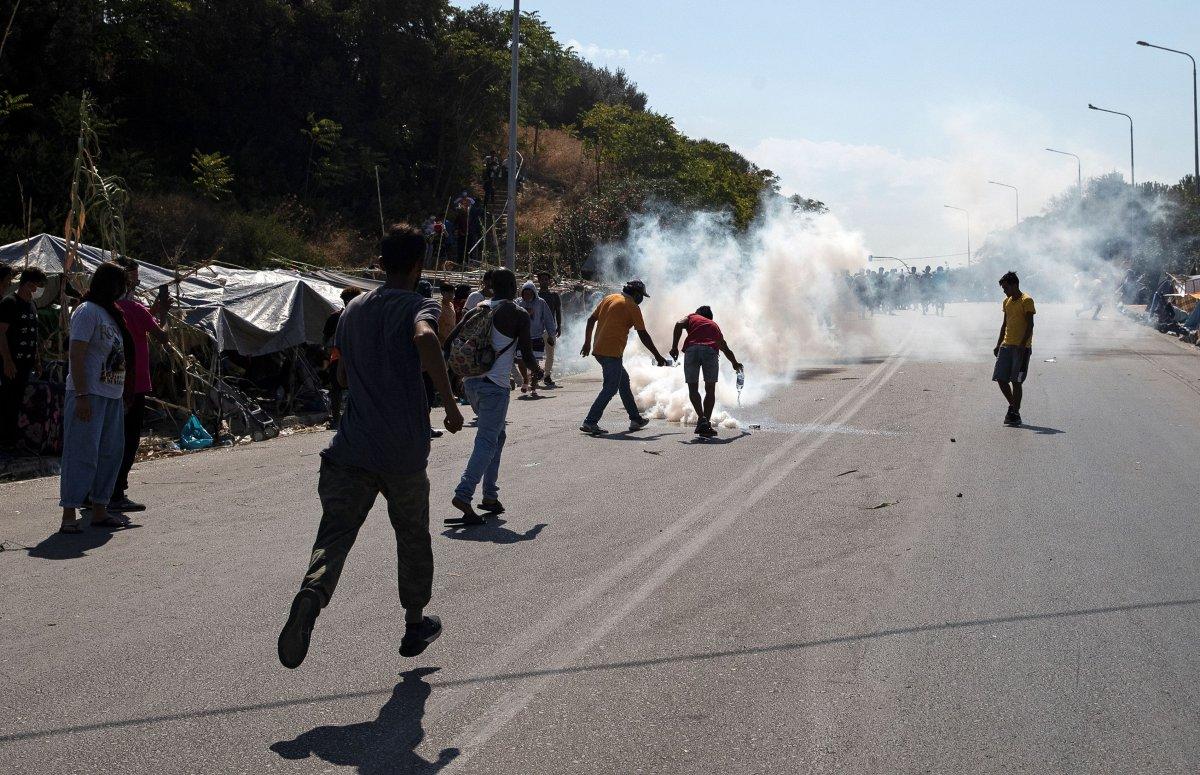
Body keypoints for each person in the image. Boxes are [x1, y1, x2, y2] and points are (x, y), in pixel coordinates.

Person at [278, 225, 463, 670]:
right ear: (419, 266)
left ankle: (312, 593)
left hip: (351, 448)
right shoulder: (421, 304)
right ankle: (415, 623)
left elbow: (340, 378)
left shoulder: (352, 311)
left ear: (379, 264)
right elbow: (424, 337)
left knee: (335, 534)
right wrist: (450, 405)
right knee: (412, 535)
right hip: (402, 453)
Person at [446, 269, 544, 524]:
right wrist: (538, 371)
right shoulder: (517, 313)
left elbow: (450, 343)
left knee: (498, 436)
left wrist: (458, 374)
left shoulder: (478, 308)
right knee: (488, 440)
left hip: (472, 385)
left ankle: (490, 496)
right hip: (495, 387)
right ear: (512, 286)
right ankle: (464, 493)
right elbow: (527, 354)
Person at [59, 262, 135, 533]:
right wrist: (81, 394)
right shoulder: (87, 311)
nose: (123, 290)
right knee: (82, 454)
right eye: (120, 284)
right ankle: (69, 512)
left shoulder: (110, 314)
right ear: (107, 284)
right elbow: (76, 354)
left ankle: (100, 509)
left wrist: (124, 394)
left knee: (110, 454)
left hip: (111, 395)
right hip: (88, 393)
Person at [111, 258, 170, 513]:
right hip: (134, 384)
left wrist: (153, 312)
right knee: (129, 439)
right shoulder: (135, 308)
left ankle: (100, 491)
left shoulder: (108, 307)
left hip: (111, 382)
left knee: (111, 437)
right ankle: (117, 492)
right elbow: (162, 335)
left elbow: (141, 322)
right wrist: (162, 316)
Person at [579, 280, 668, 435]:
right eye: (641, 296)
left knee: (623, 382)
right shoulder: (632, 306)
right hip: (611, 352)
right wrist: (658, 356)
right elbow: (643, 334)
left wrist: (587, 343)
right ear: (636, 293)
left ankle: (635, 419)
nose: (641, 299)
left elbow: (591, 319)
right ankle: (590, 421)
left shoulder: (610, 298)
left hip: (599, 349)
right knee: (610, 388)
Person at [669, 306, 743, 438]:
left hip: (691, 350)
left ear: (699, 314)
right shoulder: (713, 325)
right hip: (710, 351)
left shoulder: (692, 317)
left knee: (693, 388)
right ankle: (705, 423)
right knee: (710, 389)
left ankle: (701, 419)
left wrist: (674, 347)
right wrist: (735, 364)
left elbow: (678, 324)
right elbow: (725, 349)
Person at [0, 268, 47, 449]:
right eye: (38, 285)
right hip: (11, 362)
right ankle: (4, 440)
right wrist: (7, 361)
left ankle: (12, 438)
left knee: (17, 401)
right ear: (29, 284)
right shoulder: (9, 303)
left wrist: (37, 359)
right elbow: (1, 334)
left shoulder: (31, 305)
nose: (39, 289)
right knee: (6, 401)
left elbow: (33, 335)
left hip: (27, 363)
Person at [993, 271, 1035, 428]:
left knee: (1016, 381)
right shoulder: (1006, 302)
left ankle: (1014, 412)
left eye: (1006, 288)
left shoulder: (1027, 300)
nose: (1004, 291)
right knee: (1000, 378)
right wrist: (998, 344)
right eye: (1003, 288)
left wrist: (1022, 346)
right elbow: (1004, 325)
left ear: (1015, 285)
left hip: (1021, 349)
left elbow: (1030, 325)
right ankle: (1014, 408)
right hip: (1006, 345)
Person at [323, 286, 362, 429]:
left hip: (356, 357)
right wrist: (327, 356)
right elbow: (325, 339)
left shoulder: (362, 316)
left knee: (354, 388)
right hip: (338, 358)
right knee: (337, 389)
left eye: (350, 300)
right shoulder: (335, 317)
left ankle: (353, 417)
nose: (348, 302)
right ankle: (336, 418)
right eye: (346, 300)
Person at [516, 281, 555, 397]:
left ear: (534, 293)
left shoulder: (540, 303)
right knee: (520, 360)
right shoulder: (517, 303)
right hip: (522, 337)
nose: (527, 295)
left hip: (537, 337)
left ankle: (533, 386)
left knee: (534, 363)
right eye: (525, 293)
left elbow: (548, 318)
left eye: (529, 293)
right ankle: (525, 380)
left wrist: (551, 335)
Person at [536, 271, 563, 387]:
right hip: (536, 329)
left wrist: (559, 326)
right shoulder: (534, 295)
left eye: (546, 279)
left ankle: (547, 376)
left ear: (549, 281)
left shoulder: (554, 295)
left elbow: (558, 311)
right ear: (539, 281)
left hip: (550, 329)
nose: (544, 281)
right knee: (535, 353)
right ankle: (535, 376)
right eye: (542, 279)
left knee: (550, 353)